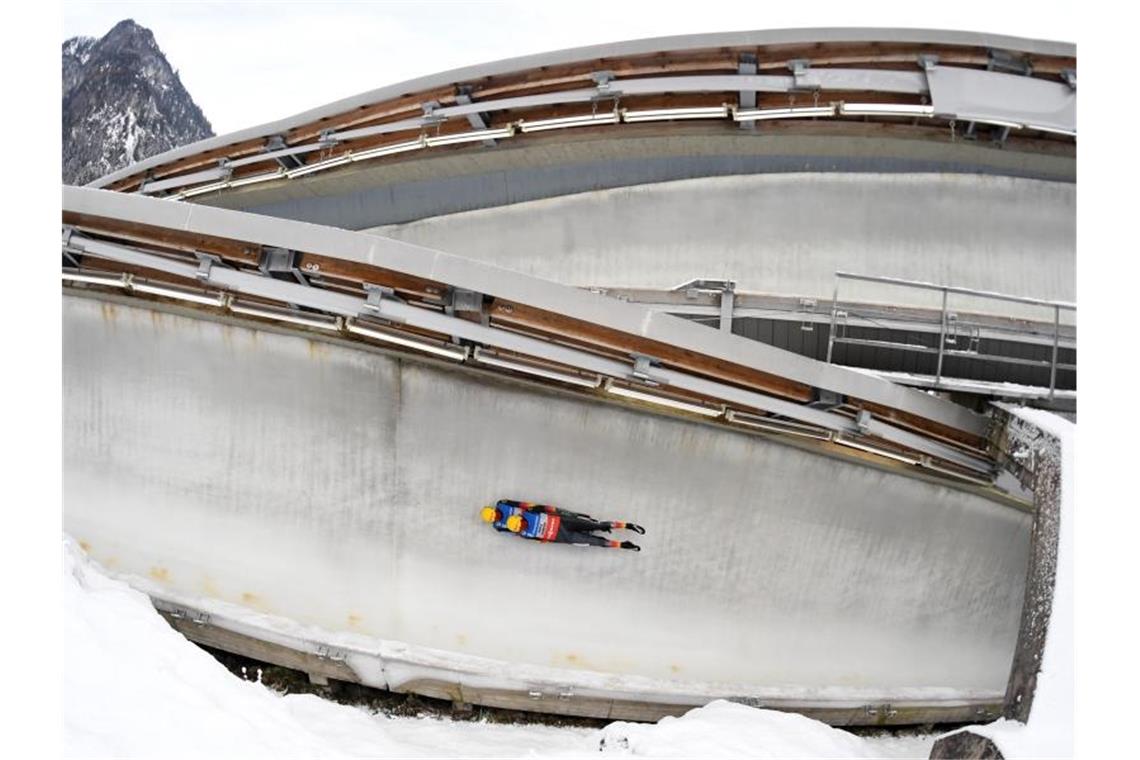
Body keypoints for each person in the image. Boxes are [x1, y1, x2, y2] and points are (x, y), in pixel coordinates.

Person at [479, 499, 644, 551]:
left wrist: (562, 512)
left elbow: (542, 507)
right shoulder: (518, 532)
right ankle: (623, 545)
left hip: (563, 522)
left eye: (496, 513)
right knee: (597, 542)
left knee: (599, 525)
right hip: (563, 536)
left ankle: (627, 525)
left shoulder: (527, 513)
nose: (497, 515)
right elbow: (539, 540)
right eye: (495, 517)